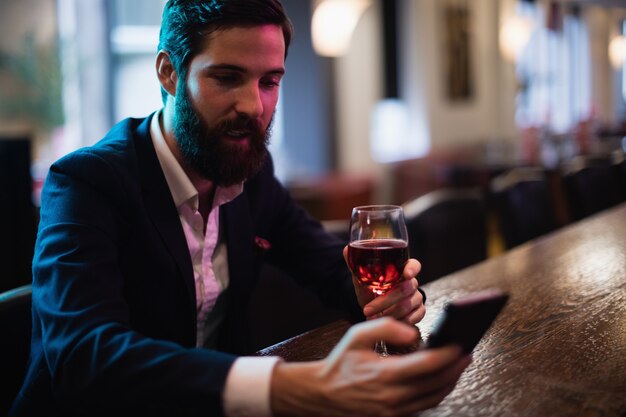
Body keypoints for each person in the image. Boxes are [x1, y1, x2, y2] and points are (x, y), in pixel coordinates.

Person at [10, 1, 471, 416]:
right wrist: (291, 385)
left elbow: (331, 269)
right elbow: (83, 357)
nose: (254, 106)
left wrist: (387, 297)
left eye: (270, 81)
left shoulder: (251, 173)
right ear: (169, 74)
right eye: (227, 77)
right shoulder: (87, 183)